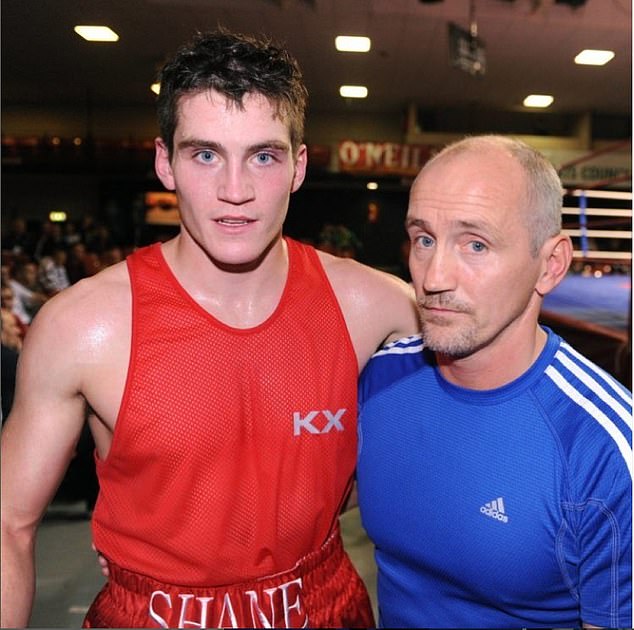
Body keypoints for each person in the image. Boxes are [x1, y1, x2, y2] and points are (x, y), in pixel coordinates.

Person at [0, 29, 418, 629]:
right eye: (205, 154)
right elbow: (9, 522)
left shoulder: (376, 306)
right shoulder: (81, 326)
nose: (235, 192)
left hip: (322, 605)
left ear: (298, 167)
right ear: (163, 162)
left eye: (264, 156)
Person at [357, 135, 632, 628]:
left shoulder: (604, 451)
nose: (433, 276)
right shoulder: (379, 379)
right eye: (424, 239)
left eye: (476, 244)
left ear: (549, 266)